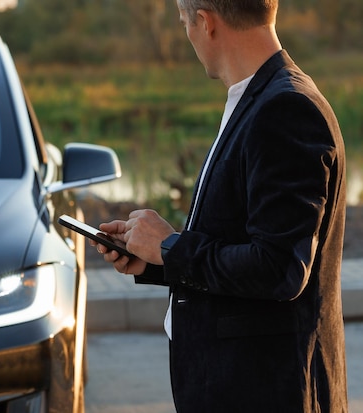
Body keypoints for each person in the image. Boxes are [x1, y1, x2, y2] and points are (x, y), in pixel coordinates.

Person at [92, 0, 348, 411]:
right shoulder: (260, 98)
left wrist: (172, 248)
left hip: (264, 393)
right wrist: (157, 259)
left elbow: (279, 268)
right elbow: (245, 244)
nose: (187, 34)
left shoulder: (285, 109)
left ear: (206, 22)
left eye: (183, 22)